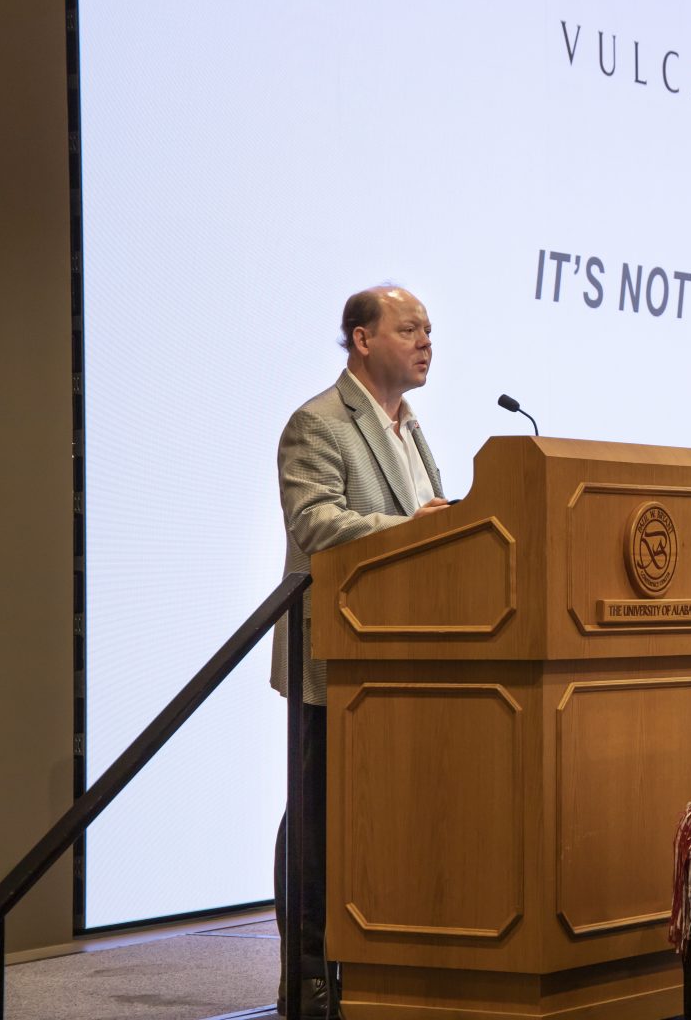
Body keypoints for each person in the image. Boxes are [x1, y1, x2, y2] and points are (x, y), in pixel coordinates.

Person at [269, 284, 450, 1017]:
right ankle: (306, 973)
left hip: (397, 654)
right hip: (334, 657)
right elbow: (315, 524)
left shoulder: (410, 428)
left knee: (372, 815)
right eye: (410, 328)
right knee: (316, 816)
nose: (426, 341)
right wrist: (414, 530)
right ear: (362, 338)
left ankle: (375, 963)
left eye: (429, 330)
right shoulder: (318, 423)